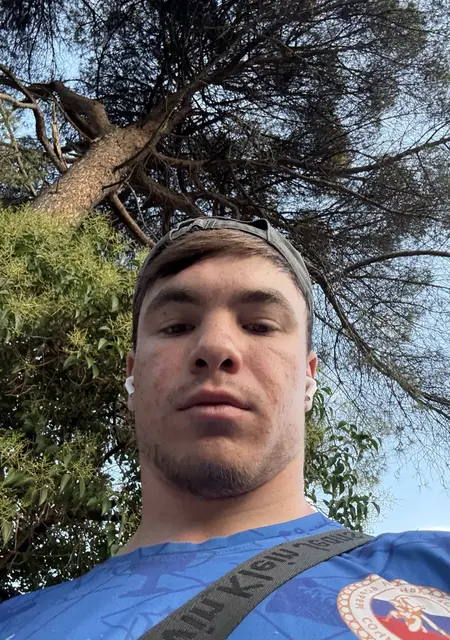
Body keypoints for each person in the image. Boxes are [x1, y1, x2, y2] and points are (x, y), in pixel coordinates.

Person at [0, 217, 449, 640]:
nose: (215, 346)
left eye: (260, 326)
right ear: (132, 376)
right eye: (176, 326)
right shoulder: (15, 624)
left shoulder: (434, 571)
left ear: (308, 379)